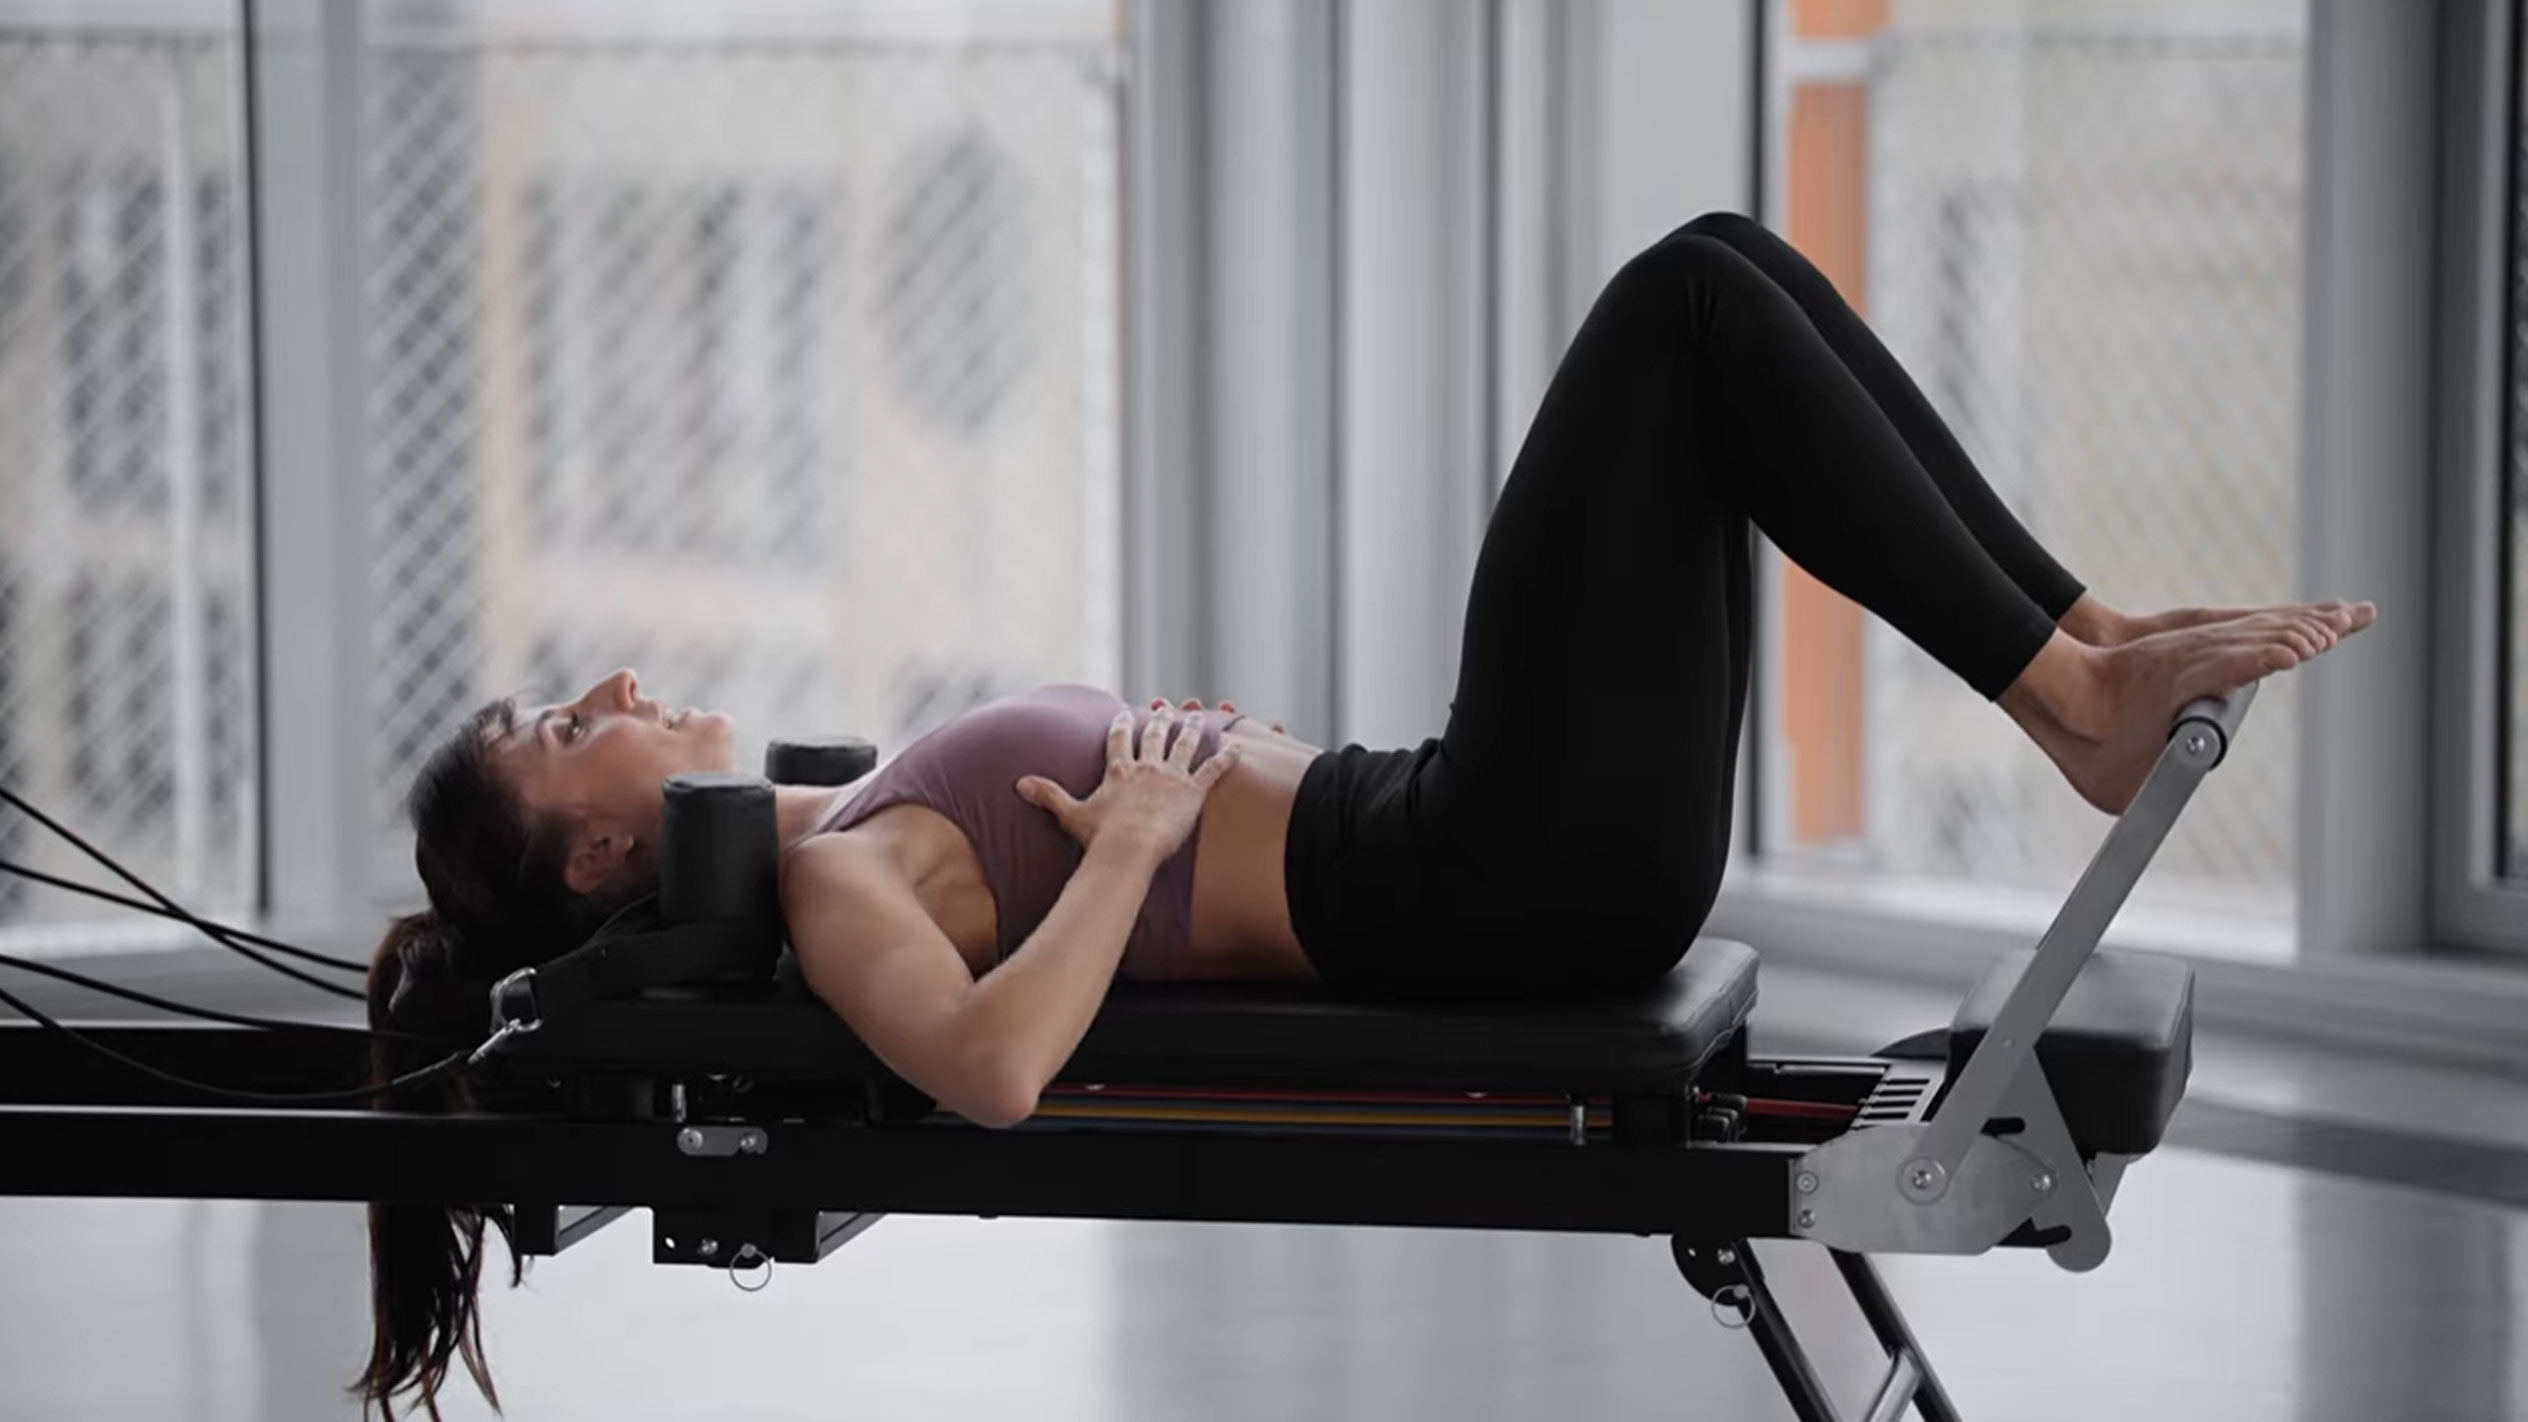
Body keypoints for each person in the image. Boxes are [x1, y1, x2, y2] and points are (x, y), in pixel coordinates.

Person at [351, 210, 2371, 1417]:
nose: (614, 686)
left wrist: (515, 976)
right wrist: (1126, 844)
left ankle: (2082, 643)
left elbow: (623, 952)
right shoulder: (849, 886)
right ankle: (2073, 700)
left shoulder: (819, 825)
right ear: (594, 850)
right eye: (566, 726)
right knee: (1683, 307)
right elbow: (985, 1073)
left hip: (1481, 837)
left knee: (1726, 267)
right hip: (1498, 867)